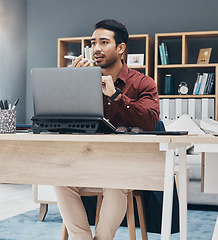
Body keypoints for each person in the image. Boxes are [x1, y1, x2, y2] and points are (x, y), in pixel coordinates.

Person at [54, 19, 160, 240]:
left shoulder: (143, 83)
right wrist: (73, 83)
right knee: (59, 179)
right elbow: (63, 120)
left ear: (120, 48)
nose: (96, 49)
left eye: (104, 42)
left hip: (125, 165)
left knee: (115, 181)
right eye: (93, 43)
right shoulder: (85, 80)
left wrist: (116, 96)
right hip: (89, 159)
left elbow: (150, 121)